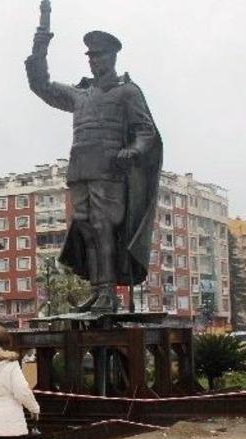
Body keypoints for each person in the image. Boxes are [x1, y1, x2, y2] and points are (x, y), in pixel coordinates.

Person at [26, 27, 162, 313]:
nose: (94, 61)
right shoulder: (80, 94)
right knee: (86, 228)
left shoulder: (127, 91)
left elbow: (146, 131)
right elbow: (42, 86)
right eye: (91, 57)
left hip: (109, 169)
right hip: (80, 169)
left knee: (103, 227)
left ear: (112, 57)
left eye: (99, 56)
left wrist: (134, 151)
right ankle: (99, 290)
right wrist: (40, 48)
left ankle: (109, 293)